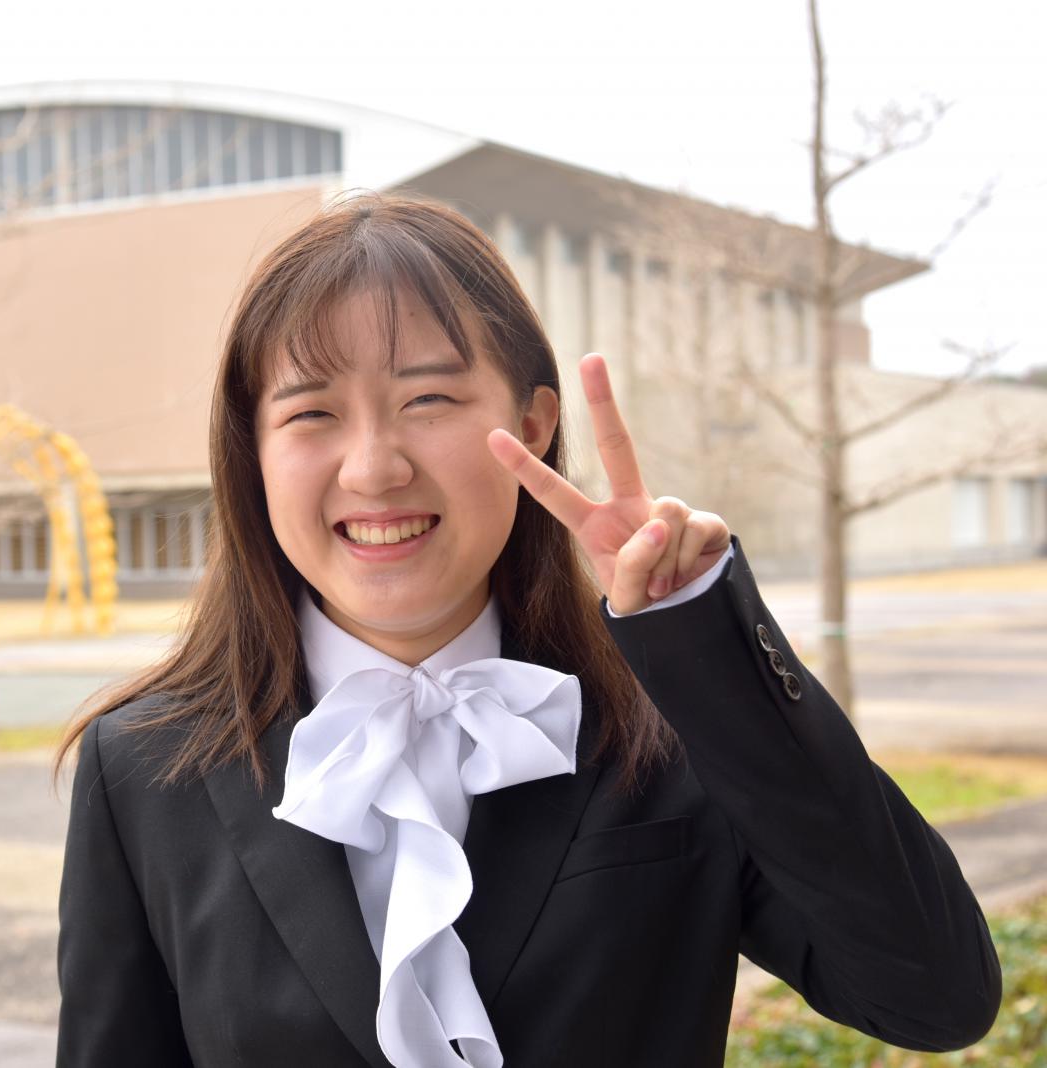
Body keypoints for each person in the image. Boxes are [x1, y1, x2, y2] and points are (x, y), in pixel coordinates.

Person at [52, 190, 1001, 1067]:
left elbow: (936, 998)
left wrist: (698, 634)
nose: (374, 468)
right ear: (253, 450)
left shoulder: (673, 723)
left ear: (536, 422)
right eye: (312, 413)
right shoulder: (142, 767)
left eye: (428, 399)